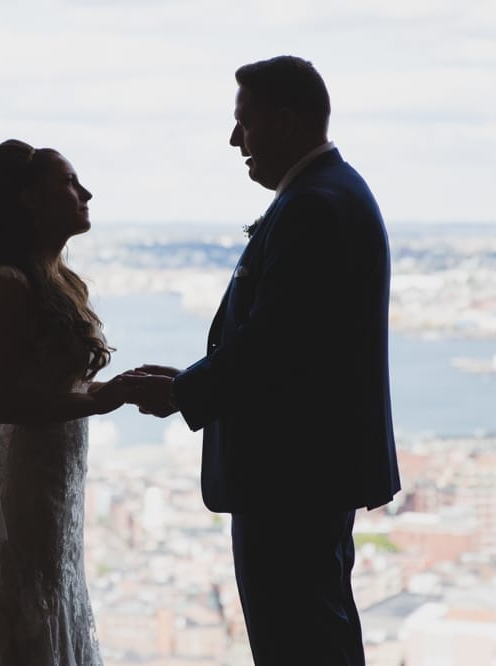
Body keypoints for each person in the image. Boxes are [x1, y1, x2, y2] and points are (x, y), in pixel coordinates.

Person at [129, 56, 402, 665]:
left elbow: (274, 345)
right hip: (308, 470)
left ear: (286, 121)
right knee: (317, 632)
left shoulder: (313, 206)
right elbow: (289, 344)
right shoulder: (329, 192)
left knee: (297, 642)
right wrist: (192, 381)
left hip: (290, 475)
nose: (234, 141)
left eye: (244, 123)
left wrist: (182, 393)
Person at [0, 139, 138, 665]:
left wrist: (120, 388)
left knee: (50, 590)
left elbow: (53, 386)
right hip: (18, 483)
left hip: (51, 480)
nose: (85, 192)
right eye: (68, 182)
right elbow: (0, 402)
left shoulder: (54, 281)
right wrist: (106, 398)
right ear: (30, 201)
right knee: (24, 601)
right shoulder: (5, 284)